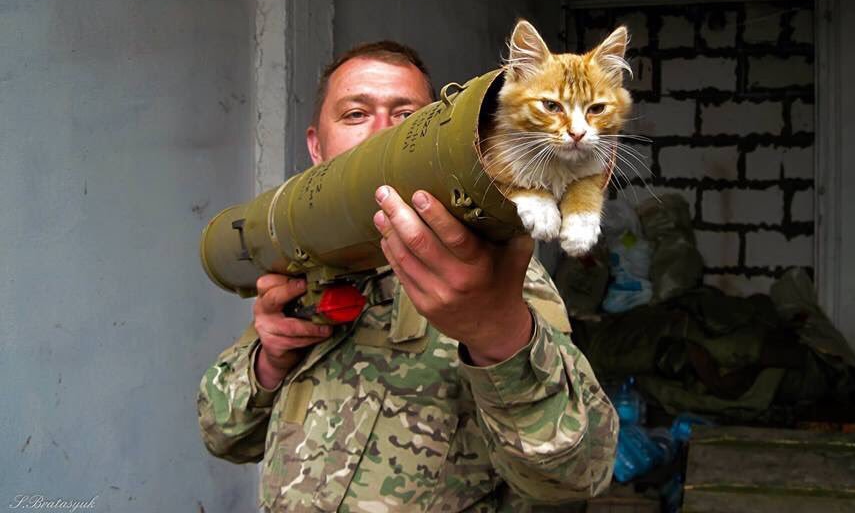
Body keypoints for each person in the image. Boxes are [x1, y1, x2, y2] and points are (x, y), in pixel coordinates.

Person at [197, 41, 617, 512]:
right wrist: (268, 362)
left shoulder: (492, 274)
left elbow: (578, 476)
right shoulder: (304, 260)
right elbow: (224, 436)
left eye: (405, 116)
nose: (380, 134)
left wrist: (499, 334)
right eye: (355, 114)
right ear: (316, 146)